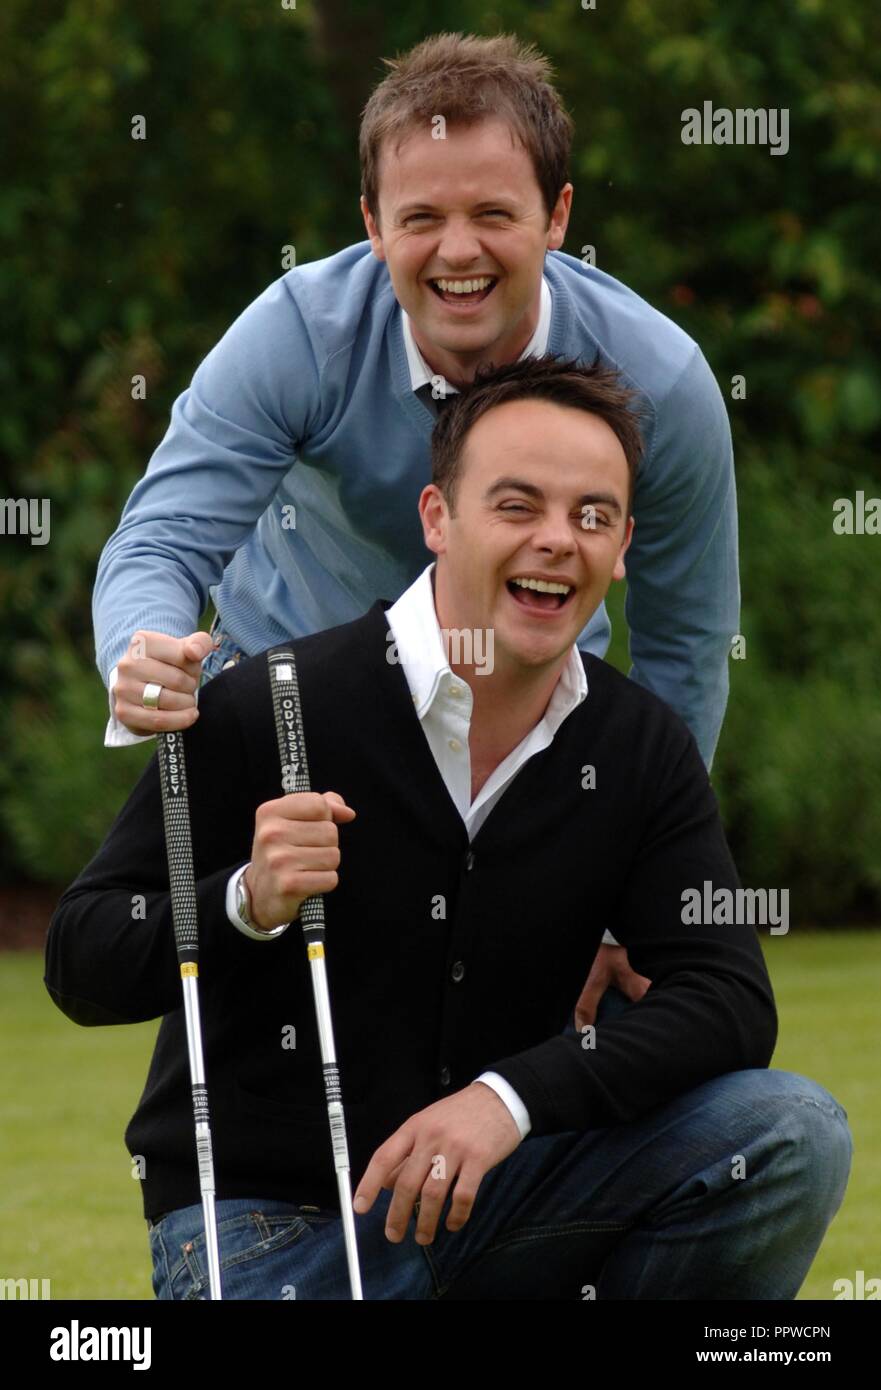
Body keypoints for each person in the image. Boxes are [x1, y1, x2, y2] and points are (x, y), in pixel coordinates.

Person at [48, 357, 851, 1300]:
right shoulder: (269, 706)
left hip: (502, 1202)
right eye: (518, 507)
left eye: (592, 517)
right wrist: (243, 900)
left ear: (625, 543)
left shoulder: (639, 746)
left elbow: (725, 999)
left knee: (788, 1130)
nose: (558, 541)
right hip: (271, 1234)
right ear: (437, 518)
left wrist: (504, 1102)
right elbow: (81, 957)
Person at [92, 32, 740, 1025]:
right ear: (370, 223)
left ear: (557, 216)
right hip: (304, 731)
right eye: (421, 217)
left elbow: (684, 643)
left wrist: (630, 890)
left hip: (533, 743)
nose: (457, 251)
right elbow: (162, 540)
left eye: (492, 214)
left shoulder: (663, 383)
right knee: (275, 1053)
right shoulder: (295, 335)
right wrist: (138, 651)